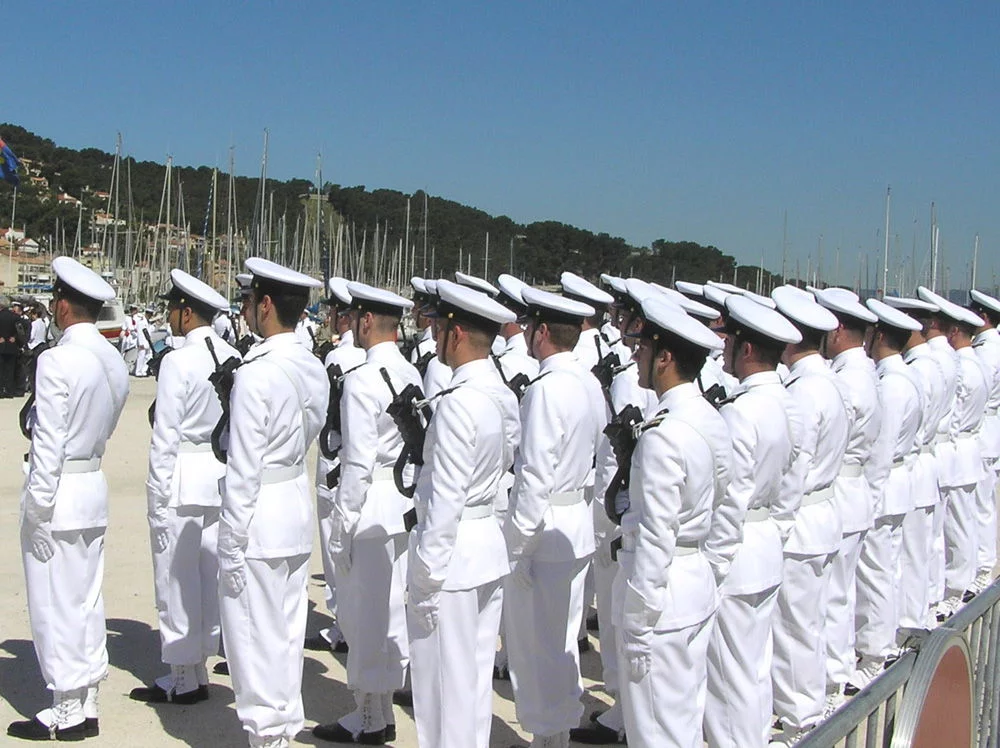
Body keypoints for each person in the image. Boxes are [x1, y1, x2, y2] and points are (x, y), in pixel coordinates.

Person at [7, 257, 129, 741]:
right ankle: (88, 693)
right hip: (92, 484)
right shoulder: (111, 359)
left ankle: (65, 707)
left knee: (53, 601)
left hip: (58, 490)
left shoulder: (58, 359)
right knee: (84, 598)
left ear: (61, 305)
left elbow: (48, 444)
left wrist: (36, 509)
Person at [217, 257, 327, 748]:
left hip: (260, 513)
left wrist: (229, 541)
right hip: (294, 507)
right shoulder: (311, 365)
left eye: (247, 300)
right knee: (284, 633)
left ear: (265, 305)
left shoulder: (257, 372)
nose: (243, 308)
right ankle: (282, 728)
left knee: (253, 636)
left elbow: (242, 468)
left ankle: (265, 735)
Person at [613, 295, 731, 748]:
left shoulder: (663, 436)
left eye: (643, 349)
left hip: (661, 598)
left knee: (656, 733)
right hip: (694, 584)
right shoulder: (707, 419)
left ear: (665, 357)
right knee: (681, 722)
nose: (636, 357)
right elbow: (725, 507)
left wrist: (638, 624)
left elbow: (655, 536)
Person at [407, 279, 521, 747]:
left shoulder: (457, 404)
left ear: (455, 335)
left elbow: (445, 498)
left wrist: (426, 576)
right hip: (485, 550)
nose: (434, 340)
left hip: (452, 560)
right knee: (470, 686)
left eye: (438, 331)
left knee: (442, 690)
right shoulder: (498, 395)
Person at [313, 283, 422, 744]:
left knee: (364, 613)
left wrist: (341, 528)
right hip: (402, 502)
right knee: (391, 610)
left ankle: (369, 715)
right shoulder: (410, 371)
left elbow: (356, 463)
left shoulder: (361, 379)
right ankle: (380, 708)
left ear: (365, 322)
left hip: (371, 505)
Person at [128, 269, 241, 705]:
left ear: (186, 312)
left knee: (175, 579)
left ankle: (182, 673)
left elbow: (166, 435)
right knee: (208, 577)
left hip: (182, 475)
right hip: (217, 474)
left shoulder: (177, 360)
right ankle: (199, 665)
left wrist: (156, 497)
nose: (170, 316)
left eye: (173, 309)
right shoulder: (231, 353)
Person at [502, 287, 601, 748]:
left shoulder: (544, 390)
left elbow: (534, 475)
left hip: (545, 530)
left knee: (536, 648)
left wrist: (517, 546)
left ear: (542, 332)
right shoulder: (588, 381)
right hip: (576, 522)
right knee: (561, 643)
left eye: (528, 325)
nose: (523, 332)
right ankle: (557, 733)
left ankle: (548, 736)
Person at [703, 295, 801, 748]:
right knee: (754, 670)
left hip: (737, 553)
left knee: (729, 680)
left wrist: (714, 567)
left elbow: (729, 499)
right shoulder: (783, 402)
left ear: (745, 350)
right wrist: (776, 533)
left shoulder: (742, 412)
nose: (722, 349)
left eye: (728, 341)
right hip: (764, 545)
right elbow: (792, 484)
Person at [769, 286, 848, 747]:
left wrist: (775, 526)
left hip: (800, 521)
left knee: (795, 626)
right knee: (811, 620)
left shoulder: (801, 393)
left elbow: (792, 470)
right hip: (824, 513)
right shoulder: (829, 382)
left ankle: (801, 720)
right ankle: (807, 707)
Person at [809, 289, 881, 710]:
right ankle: (833, 676)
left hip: (840, 492)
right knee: (838, 595)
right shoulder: (860, 373)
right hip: (847, 495)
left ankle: (833, 681)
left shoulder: (846, 380)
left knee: (832, 598)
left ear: (836, 329)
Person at [848, 299, 923, 693]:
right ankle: (881, 641)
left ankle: (875, 653)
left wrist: (870, 502)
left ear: (878, 336)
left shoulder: (891, 384)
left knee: (876, 573)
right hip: (897, 484)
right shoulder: (902, 377)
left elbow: (881, 451)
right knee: (886, 569)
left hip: (884, 488)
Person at [918, 286, 988, 619]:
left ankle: (957, 589)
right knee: (959, 523)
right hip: (965, 448)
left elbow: (953, 415)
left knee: (954, 526)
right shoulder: (969, 361)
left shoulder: (954, 363)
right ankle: (959, 583)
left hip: (953, 449)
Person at [307, 277, 366, 654]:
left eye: (333, 311)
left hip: (336, 458)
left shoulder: (338, 358)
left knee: (335, 548)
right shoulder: (367, 356)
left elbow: (324, 416)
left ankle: (342, 626)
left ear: (344, 317)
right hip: (363, 465)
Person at [968, 289, 1000, 594]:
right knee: (983, 503)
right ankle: (982, 564)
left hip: (985, 430)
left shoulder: (988, 351)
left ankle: (981, 568)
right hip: (990, 429)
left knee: (981, 505)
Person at [0, 295, 21, 397]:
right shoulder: (15, 317)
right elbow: (22, 329)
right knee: (10, 369)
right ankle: (9, 391)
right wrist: (15, 337)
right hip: (11, 345)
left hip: (1, 345)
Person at [120, 304, 139, 373]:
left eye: (134, 310)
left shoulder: (139, 318)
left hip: (136, 338)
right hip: (128, 337)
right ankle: (123, 368)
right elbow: (124, 328)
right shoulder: (127, 318)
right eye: (131, 310)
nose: (132, 311)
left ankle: (131, 368)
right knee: (124, 352)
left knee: (134, 353)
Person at [134, 306, 153, 377]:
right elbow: (139, 333)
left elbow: (150, 331)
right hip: (142, 342)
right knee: (141, 356)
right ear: (147, 314)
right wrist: (140, 343)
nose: (150, 316)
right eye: (149, 314)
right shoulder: (141, 322)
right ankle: (138, 371)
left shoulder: (148, 322)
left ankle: (143, 371)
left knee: (148, 356)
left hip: (148, 342)